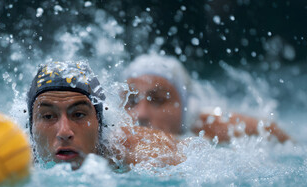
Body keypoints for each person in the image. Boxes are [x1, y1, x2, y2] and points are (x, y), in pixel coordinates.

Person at [27, 61, 183, 171]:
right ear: (31, 128)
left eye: (79, 114)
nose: (64, 132)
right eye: (48, 116)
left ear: (100, 124)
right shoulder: (16, 158)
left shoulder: (134, 152)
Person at [121, 53, 290, 143]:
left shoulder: (210, 129)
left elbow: (275, 134)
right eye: (132, 101)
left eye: (157, 100)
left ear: (188, 109)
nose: (141, 114)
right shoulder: (110, 139)